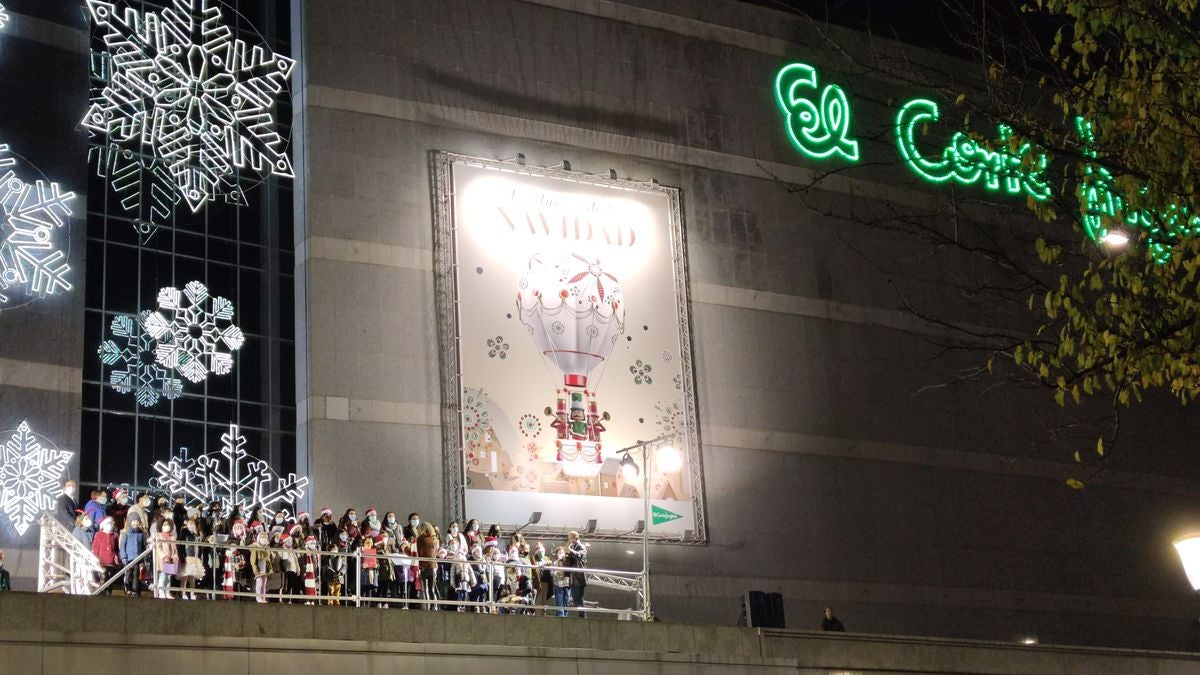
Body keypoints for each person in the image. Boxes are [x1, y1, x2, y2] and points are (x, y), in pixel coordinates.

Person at [119, 512, 147, 597]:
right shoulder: (126, 534)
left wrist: (144, 558)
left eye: (137, 521)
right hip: (128, 558)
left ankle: (136, 590)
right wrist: (123, 557)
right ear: (130, 522)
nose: (135, 523)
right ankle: (127, 589)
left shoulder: (141, 534)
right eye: (133, 521)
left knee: (136, 574)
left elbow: (143, 547)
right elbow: (122, 546)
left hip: (138, 558)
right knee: (128, 574)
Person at [92, 516, 122, 594]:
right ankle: (101, 594)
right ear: (104, 525)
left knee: (110, 580)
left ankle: (108, 594)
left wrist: (117, 558)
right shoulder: (98, 535)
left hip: (111, 562)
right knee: (103, 579)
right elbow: (95, 549)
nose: (111, 525)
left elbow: (116, 549)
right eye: (109, 523)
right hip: (101, 562)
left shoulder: (114, 536)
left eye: (112, 523)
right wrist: (96, 559)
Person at [177, 517, 204, 600]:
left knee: (193, 577)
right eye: (190, 524)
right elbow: (181, 545)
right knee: (185, 576)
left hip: (195, 557)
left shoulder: (196, 534)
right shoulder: (185, 532)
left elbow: (198, 545)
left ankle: (192, 593)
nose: (192, 525)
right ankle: (183, 592)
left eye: (193, 524)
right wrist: (182, 556)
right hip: (187, 556)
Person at [415, 521, 438, 609]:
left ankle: (427, 607)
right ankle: (434, 607)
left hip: (423, 566)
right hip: (433, 565)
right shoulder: (434, 539)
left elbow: (419, 552)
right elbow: (435, 553)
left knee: (425, 589)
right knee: (432, 589)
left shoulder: (420, 539)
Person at [565, 531, 588, 617]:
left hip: (579, 576)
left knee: (579, 598)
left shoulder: (581, 547)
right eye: (569, 539)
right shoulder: (573, 547)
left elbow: (580, 555)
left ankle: (583, 616)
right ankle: (582, 615)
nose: (570, 541)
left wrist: (570, 551)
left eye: (571, 538)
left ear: (576, 538)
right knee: (575, 598)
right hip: (573, 577)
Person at [153, 519, 177, 599]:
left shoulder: (172, 537)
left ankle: (167, 592)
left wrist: (175, 556)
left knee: (169, 577)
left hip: (170, 560)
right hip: (163, 560)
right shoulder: (158, 535)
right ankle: (161, 592)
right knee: (163, 576)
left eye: (168, 524)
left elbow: (175, 549)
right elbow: (158, 548)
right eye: (164, 525)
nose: (167, 526)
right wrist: (164, 556)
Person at [250, 532, 274, 603]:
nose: (264, 539)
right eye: (262, 537)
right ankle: (258, 598)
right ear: (259, 538)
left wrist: (270, 569)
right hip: (259, 567)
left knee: (264, 584)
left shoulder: (267, 547)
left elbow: (269, 559)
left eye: (265, 538)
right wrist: (255, 568)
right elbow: (253, 559)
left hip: (265, 567)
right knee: (259, 583)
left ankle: (263, 597)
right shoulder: (255, 547)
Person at [551, 546, 571, 617]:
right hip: (558, 584)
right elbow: (552, 573)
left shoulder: (567, 562)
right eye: (559, 553)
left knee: (566, 600)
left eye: (562, 552)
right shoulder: (555, 563)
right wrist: (557, 572)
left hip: (566, 584)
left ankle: (565, 615)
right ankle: (560, 616)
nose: (561, 554)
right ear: (557, 554)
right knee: (559, 600)